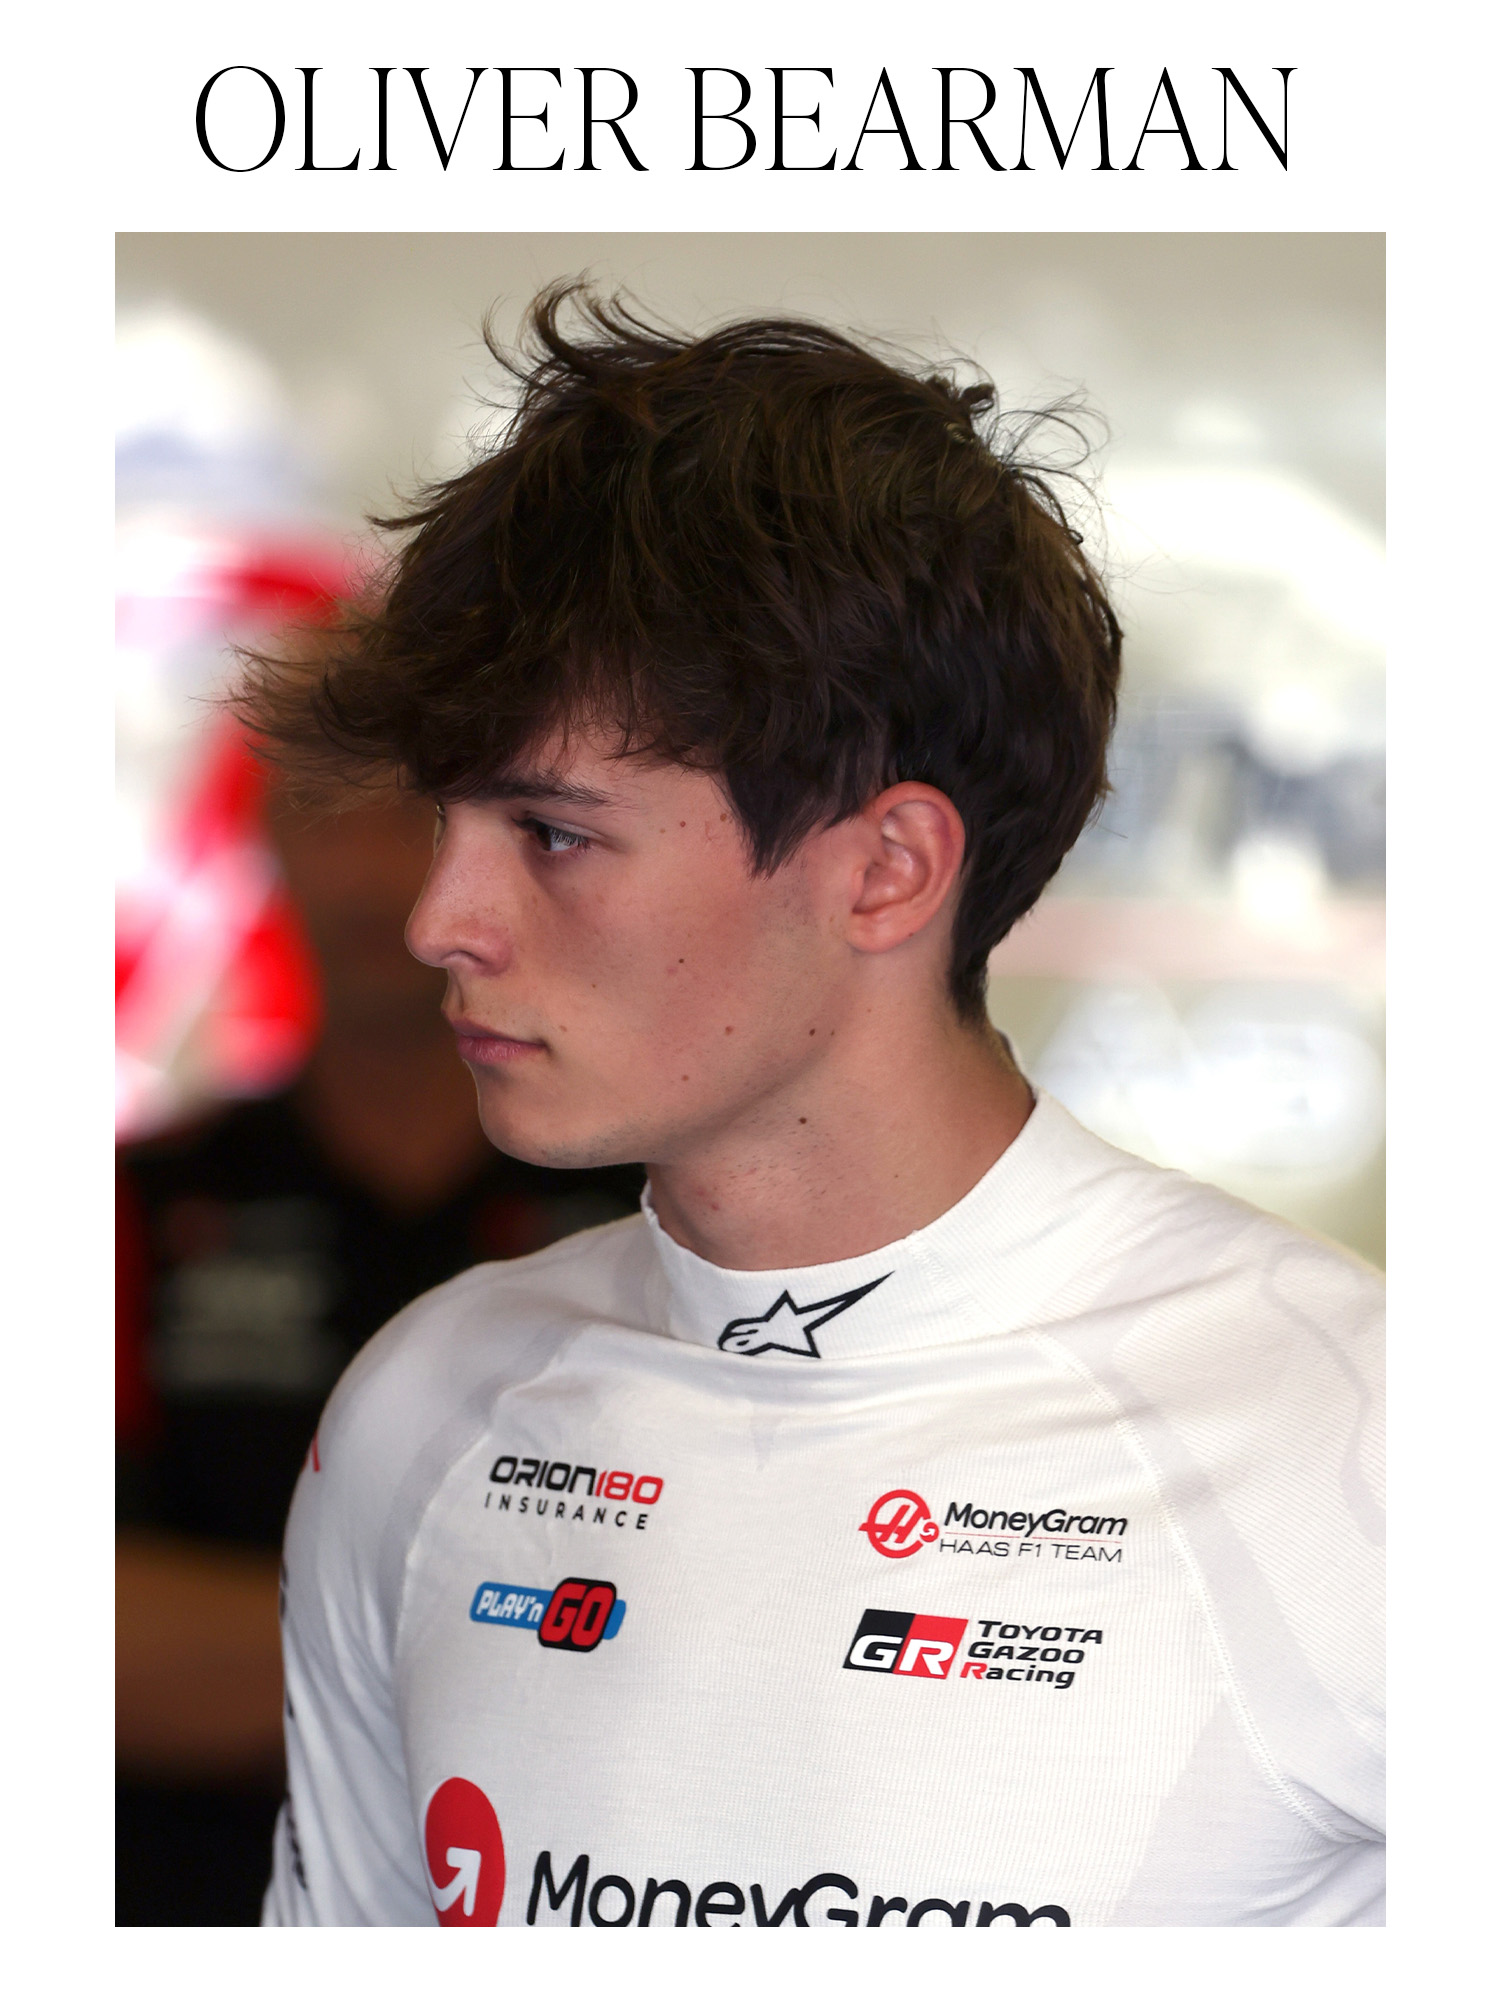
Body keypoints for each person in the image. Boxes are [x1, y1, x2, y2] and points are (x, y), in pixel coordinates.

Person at [235, 285, 1383, 1928]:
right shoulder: (430, 1407)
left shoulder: (1365, 1439)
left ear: (887, 871)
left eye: (552, 834)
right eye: (448, 823)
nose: (438, 923)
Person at [116, 778, 641, 1924]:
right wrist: (520, 1653)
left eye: (409, 813)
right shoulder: (136, 1201)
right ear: (264, 844)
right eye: (320, 811)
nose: (359, 873)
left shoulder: (659, 1205)